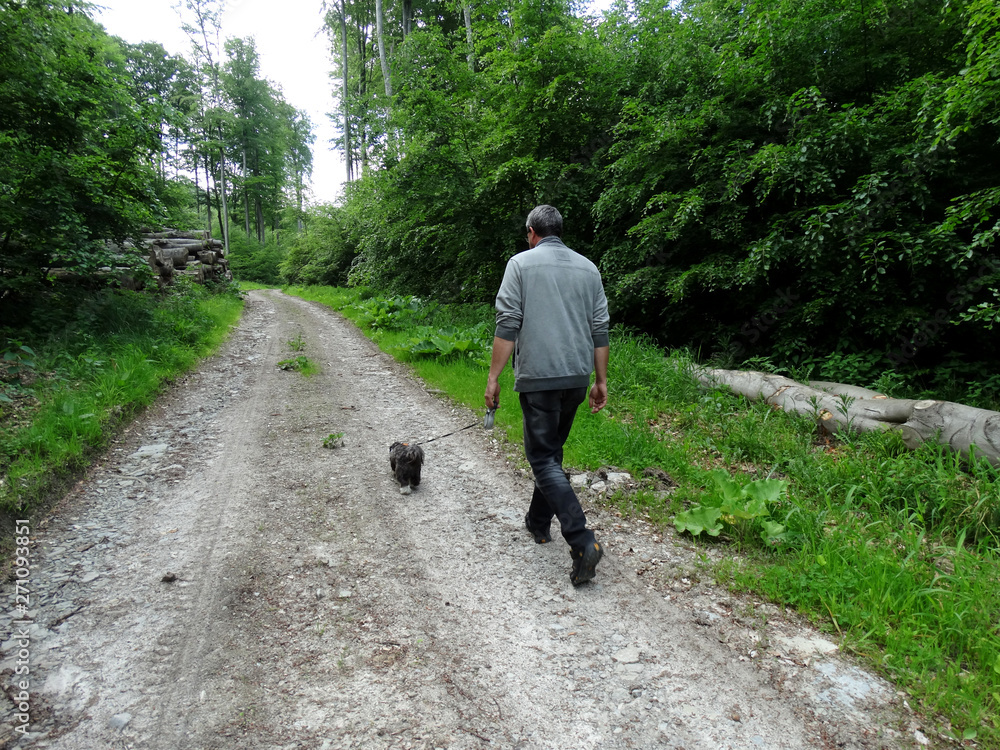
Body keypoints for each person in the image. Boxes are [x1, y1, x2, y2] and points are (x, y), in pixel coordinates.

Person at [484, 204, 610, 586]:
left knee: (541, 457)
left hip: (540, 377)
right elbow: (600, 328)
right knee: (551, 452)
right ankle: (538, 523)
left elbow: (508, 323)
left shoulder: (520, 264)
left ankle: (581, 539)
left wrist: (493, 378)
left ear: (531, 232)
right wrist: (600, 381)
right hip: (575, 377)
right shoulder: (589, 268)